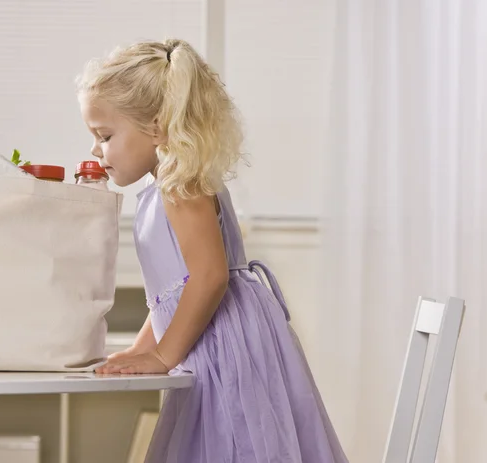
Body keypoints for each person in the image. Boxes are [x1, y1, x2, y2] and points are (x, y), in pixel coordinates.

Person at [77, 38, 349, 463]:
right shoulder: (161, 186)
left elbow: (208, 277)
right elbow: (176, 287)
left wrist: (164, 355)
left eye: (105, 135)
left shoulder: (179, 184)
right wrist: (142, 347)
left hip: (227, 348)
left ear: (156, 126)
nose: (96, 149)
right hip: (211, 341)